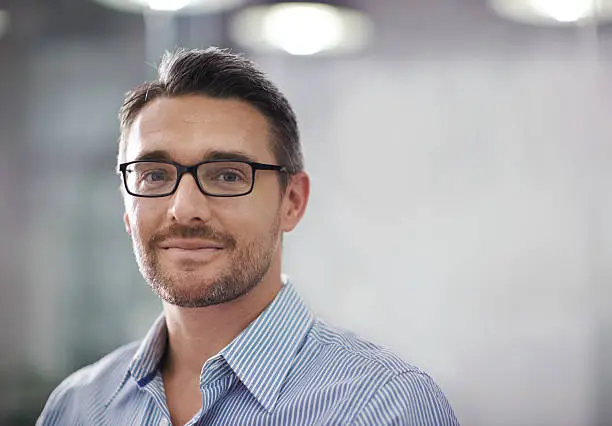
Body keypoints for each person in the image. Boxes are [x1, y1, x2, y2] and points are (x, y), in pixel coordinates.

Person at [37, 47, 459, 426]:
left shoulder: (384, 409)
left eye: (226, 175)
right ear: (126, 208)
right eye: (154, 175)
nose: (184, 208)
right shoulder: (78, 407)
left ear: (291, 201)